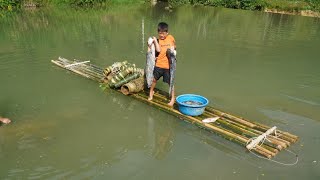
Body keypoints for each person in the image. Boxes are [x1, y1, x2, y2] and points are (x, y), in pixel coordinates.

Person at [148, 22, 176, 106]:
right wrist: (151, 43)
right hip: (159, 65)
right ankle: (151, 92)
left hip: (168, 66)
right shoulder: (156, 40)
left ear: (167, 33)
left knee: (170, 82)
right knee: (154, 80)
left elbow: (175, 46)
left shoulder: (171, 38)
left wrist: (173, 48)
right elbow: (157, 50)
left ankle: (173, 98)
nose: (162, 36)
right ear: (158, 32)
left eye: (164, 34)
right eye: (160, 34)